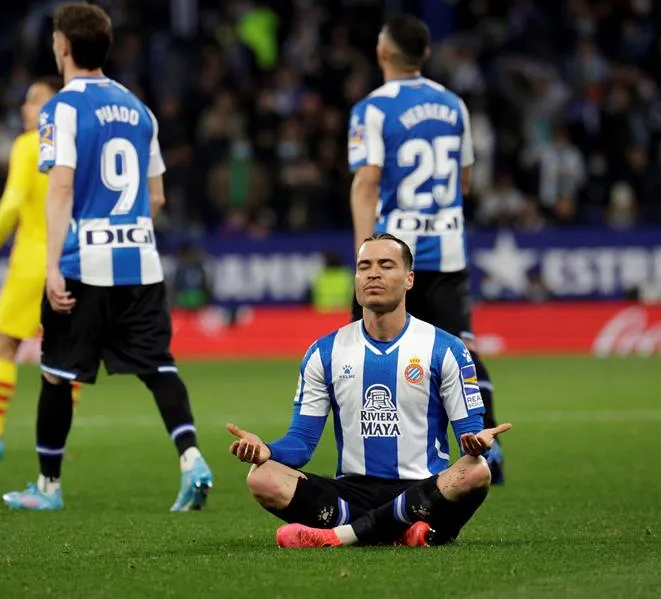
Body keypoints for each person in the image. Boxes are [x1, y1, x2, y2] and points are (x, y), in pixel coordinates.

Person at [2, 3, 211, 512]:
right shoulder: (139, 109)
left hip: (85, 264)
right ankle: (192, 460)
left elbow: (61, 189)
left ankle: (48, 487)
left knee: (57, 373)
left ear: (63, 46)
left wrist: (53, 265)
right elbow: (157, 197)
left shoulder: (60, 109)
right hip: (141, 261)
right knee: (158, 367)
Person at [227, 233, 512, 548]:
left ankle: (342, 535)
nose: (373, 274)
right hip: (353, 491)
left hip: (422, 490)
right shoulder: (324, 351)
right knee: (262, 476)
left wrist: (478, 444)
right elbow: (302, 443)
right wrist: (267, 451)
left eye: (386, 265)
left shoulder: (447, 349)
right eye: (364, 266)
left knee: (476, 472)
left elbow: (470, 437)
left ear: (409, 279)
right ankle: (401, 531)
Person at [347, 15, 505, 483]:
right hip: (448, 250)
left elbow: (367, 182)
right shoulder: (454, 104)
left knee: (368, 350)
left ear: (382, 53)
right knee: (464, 353)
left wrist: (365, 253)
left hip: (395, 258)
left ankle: (374, 458)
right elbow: (465, 181)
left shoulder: (373, 109)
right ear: (426, 54)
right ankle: (490, 450)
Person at [0, 76, 84, 462]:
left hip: (32, 263)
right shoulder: (79, 147)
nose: (26, 108)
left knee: (5, 344)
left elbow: (12, 203)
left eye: (35, 100)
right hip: (73, 262)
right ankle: (57, 443)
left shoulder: (28, 145)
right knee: (66, 357)